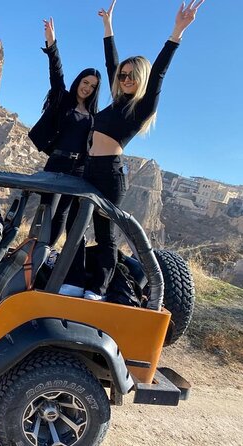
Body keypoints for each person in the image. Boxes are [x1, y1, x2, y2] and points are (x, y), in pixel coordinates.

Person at [64, 0, 205, 301]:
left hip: (109, 175)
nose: (125, 79)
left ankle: (98, 289)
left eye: (131, 75)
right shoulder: (115, 100)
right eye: (123, 75)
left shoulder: (141, 108)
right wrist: (108, 27)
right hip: (87, 169)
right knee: (74, 224)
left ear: (140, 79)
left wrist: (177, 32)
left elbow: (160, 75)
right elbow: (110, 63)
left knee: (104, 233)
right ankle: (73, 280)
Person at [28, 17, 101, 250]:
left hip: (78, 168)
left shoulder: (93, 115)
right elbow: (56, 73)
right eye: (85, 82)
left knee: (62, 212)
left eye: (92, 86)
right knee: (46, 208)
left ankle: (46, 252)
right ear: (79, 80)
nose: (87, 87)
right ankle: (33, 251)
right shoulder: (63, 98)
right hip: (57, 161)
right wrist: (52, 45)